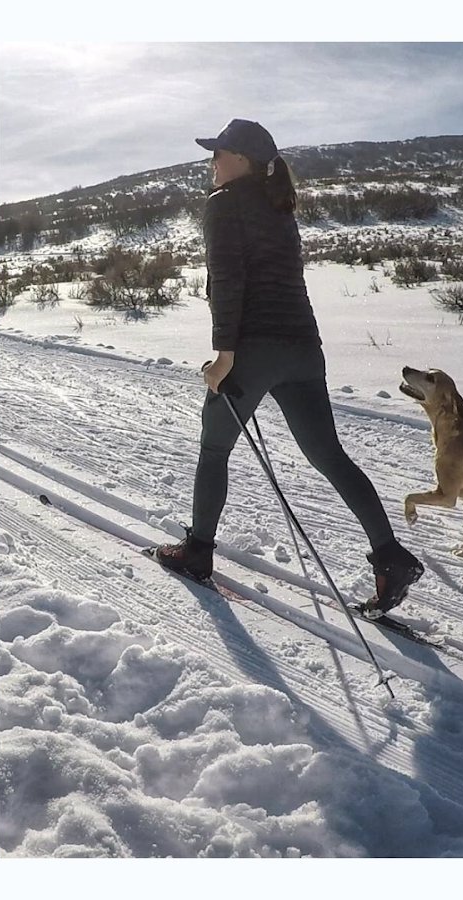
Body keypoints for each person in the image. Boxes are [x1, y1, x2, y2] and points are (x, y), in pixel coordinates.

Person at [143, 118, 423, 614]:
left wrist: (224, 354)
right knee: (329, 455)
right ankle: (390, 556)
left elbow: (228, 281)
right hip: (303, 348)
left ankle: (197, 551)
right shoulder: (279, 206)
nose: (211, 161)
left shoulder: (223, 204)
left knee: (214, 448)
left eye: (219, 152)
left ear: (242, 160)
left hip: (253, 349)